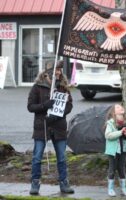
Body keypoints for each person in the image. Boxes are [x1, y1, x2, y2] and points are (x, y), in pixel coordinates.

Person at [27, 60, 74, 195]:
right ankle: (35, 183)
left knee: (62, 157)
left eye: (59, 70)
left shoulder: (63, 87)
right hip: (42, 126)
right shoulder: (37, 87)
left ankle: (64, 183)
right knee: (37, 156)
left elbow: (69, 105)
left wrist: (58, 115)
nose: (58, 72)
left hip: (58, 127)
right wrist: (44, 106)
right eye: (55, 70)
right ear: (47, 73)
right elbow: (30, 107)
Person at [104, 104, 126, 197]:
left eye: (121, 106)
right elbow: (108, 135)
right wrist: (120, 132)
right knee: (112, 169)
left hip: (124, 149)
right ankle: (110, 189)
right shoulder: (111, 123)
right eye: (118, 107)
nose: (121, 107)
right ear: (114, 112)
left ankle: (124, 188)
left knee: (122, 168)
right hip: (113, 150)